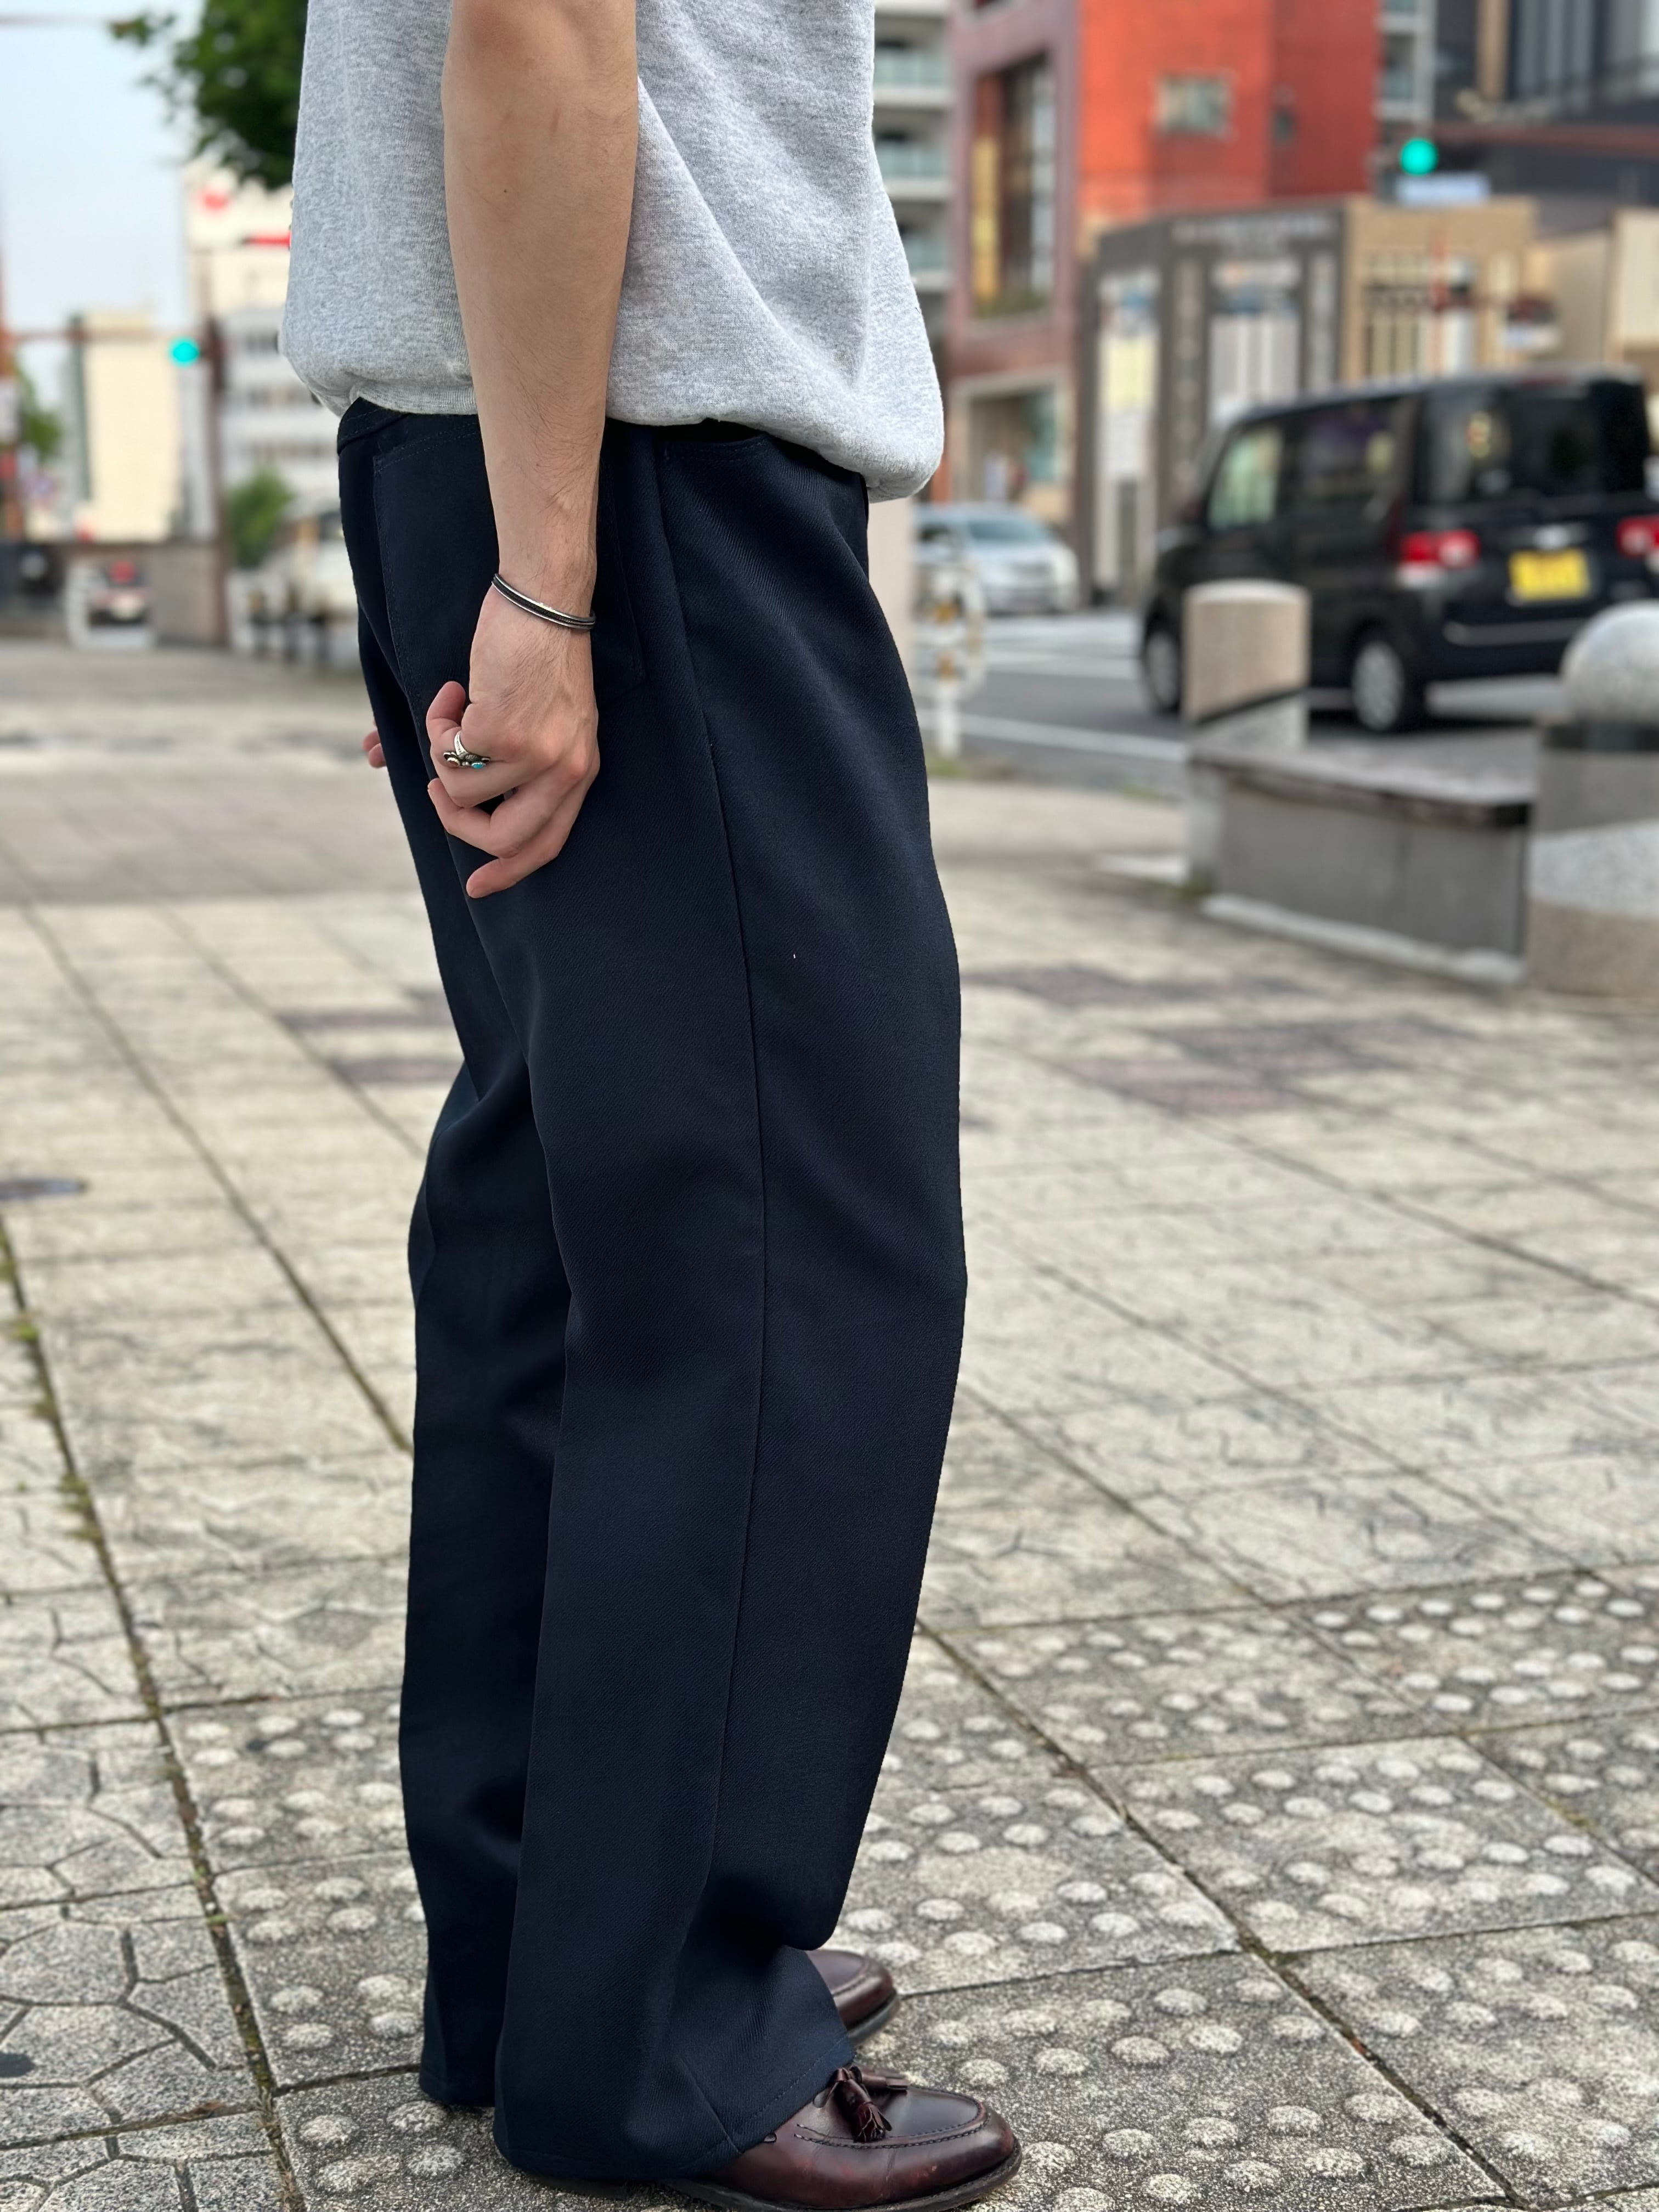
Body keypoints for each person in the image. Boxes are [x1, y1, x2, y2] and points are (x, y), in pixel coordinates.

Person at [283, 1, 1018, 2203]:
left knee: (568, 1220)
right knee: (781, 1247)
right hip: (634, 465)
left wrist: (495, 544)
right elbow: (536, 24)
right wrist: (549, 574)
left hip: (511, 433)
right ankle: (665, 2028)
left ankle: (553, 1956)